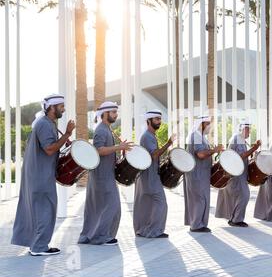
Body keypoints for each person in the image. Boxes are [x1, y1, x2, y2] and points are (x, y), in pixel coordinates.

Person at [11, 94, 75, 256]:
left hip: (40, 174)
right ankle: (39, 247)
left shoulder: (47, 123)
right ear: (51, 108)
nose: (63, 108)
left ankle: (36, 245)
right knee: (46, 209)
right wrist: (67, 134)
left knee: (41, 209)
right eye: (60, 106)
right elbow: (49, 149)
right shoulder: (44, 124)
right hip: (40, 176)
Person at [78, 102, 133, 245]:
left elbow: (107, 150)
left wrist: (120, 150)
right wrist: (118, 147)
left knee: (104, 207)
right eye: (113, 112)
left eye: (116, 112)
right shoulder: (101, 130)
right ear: (105, 114)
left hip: (106, 174)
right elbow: (98, 150)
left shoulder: (107, 129)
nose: (116, 114)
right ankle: (100, 236)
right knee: (112, 206)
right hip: (101, 176)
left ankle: (100, 235)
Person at [134, 110, 176, 238]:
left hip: (150, 175)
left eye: (159, 119)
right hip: (150, 176)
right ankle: (154, 231)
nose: (159, 121)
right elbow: (154, 155)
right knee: (160, 203)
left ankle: (145, 230)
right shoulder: (147, 136)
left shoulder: (150, 136)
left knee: (148, 205)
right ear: (149, 121)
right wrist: (168, 143)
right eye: (156, 119)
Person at [215, 120, 261, 227]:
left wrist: (254, 152)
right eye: (247, 129)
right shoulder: (236, 138)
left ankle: (235, 219)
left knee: (241, 196)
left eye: (249, 129)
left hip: (241, 174)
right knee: (244, 195)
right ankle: (235, 220)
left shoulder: (242, 141)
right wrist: (253, 148)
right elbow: (237, 156)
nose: (249, 131)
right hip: (235, 174)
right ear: (241, 129)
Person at [184, 115, 223, 233]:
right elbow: (200, 154)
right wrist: (214, 150)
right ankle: (196, 225)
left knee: (203, 199)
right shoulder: (195, 135)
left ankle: (200, 224)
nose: (209, 126)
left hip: (203, 174)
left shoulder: (201, 137)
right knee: (198, 199)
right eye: (207, 124)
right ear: (200, 124)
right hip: (196, 174)